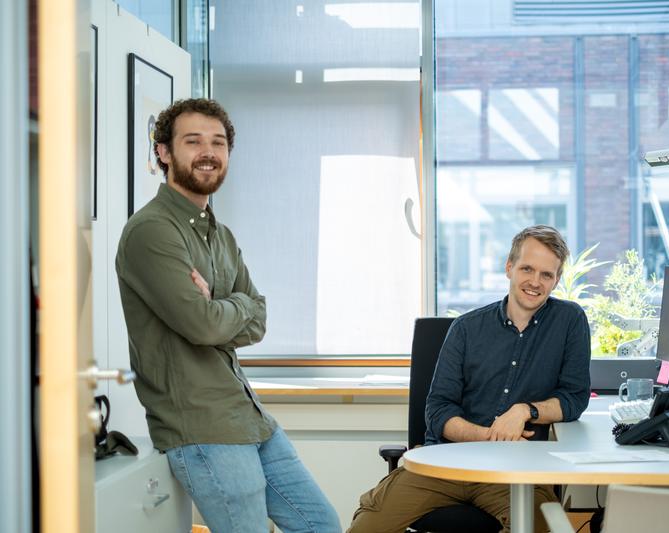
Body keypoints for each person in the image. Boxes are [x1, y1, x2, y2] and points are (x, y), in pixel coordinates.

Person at [116, 98, 341, 533]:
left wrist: (225, 307)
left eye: (218, 142)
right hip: (202, 428)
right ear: (163, 152)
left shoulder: (219, 233)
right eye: (193, 141)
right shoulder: (153, 231)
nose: (208, 152)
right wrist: (232, 307)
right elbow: (203, 325)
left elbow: (258, 318)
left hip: (248, 416)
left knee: (320, 524)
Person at [348, 225, 591, 533]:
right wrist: (491, 436)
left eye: (547, 274)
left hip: (514, 472)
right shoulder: (466, 329)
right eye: (527, 268)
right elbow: (438, 411)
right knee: (368, 525)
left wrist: (523, 411)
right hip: (445, 464)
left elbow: (575, 398)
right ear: (509, 267)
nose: (535, 281)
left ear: (556, 280)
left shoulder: (569, 322)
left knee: (542, 527)